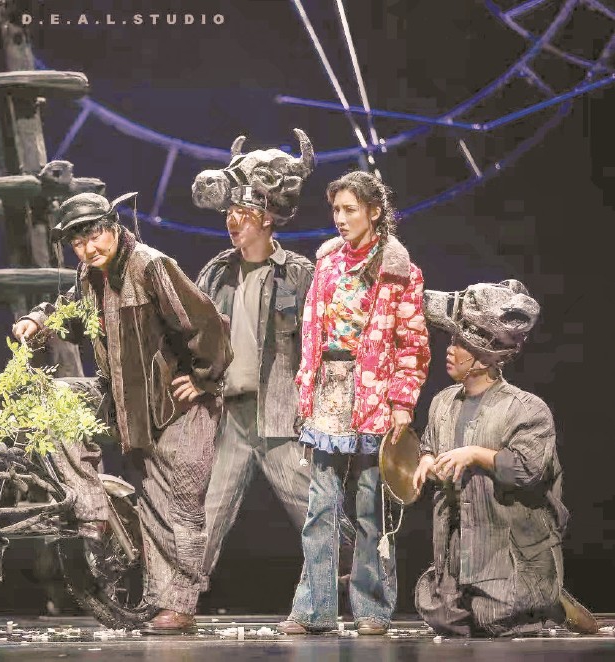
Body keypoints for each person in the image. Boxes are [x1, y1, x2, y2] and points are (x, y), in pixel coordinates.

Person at [13, 191, 233, 634]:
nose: (88, 248)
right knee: (51, 400)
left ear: (113, 227)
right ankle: (91, 509)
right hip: (128, 404)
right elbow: (73, 315)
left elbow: (207, 322)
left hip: (178, 407)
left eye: (94, 236)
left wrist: (205, 379)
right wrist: (38, 320)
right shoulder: (89, 275)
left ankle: (180, 606)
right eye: (78, 243)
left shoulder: (151, 266)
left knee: (180, 509)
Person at [193, 130, 355, 594]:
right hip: (229, 415)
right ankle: (179, 598)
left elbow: (324, 345)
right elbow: (195, 337)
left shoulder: (299, 274)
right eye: (229, 213)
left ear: (267, 217)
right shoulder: (216, 273)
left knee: (315, 510)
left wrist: (324, 414)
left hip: (283, 417)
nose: (232, 221)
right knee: (207, 512)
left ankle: (361, 580)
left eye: (242, 213)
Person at [278, 171, 430, 636]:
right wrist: (306, 386)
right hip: (330, 388)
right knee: (320, 506)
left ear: (374, 212)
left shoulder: (399, 270)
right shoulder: (327, 262)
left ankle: (371, 608)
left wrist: (402, 402)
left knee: (370, 506)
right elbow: (312, 332)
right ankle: (315, 609)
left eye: (350, 209)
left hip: (375, 393)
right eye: (336, 210)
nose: (340, 219)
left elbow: (412, 343)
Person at [413, 279, 599, 637]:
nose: (450, 350)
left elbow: (528, 471)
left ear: (485, 356)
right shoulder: (442, 403)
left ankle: (548, 601)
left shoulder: (526, 409)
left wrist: (476, 454)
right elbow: (430, 445)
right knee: (439, 614)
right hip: (460, 542)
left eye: (461, 344)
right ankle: (505, 597)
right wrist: (426, 460)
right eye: (452, 341)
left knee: (496, 618)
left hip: (504, 541)